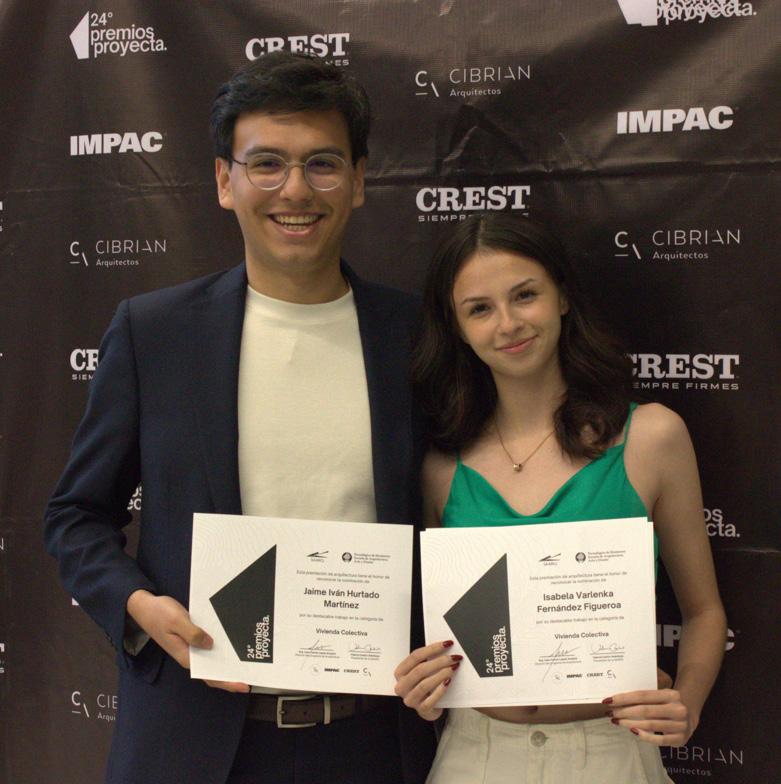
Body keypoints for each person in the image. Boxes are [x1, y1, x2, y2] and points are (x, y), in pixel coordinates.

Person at [45, 52, 435, 784]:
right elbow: (75, 515)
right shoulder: (153, 333)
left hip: (376, 742)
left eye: (322, 164)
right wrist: (137, 606)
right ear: (225, 181)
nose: (296, 189)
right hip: (193, 741)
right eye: (267, 164)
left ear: (358, 181)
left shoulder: (417, 336)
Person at [393, 213, 726, 784]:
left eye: (525, 295)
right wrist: (422, 688)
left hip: (614, 752)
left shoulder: (651, 438)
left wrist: (687, 706)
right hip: (473, 754)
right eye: (480, 309)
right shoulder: (439, 467)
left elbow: (703, 612)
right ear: (457, 329)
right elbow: (433, 641)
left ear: (563, 297)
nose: (508, 324)